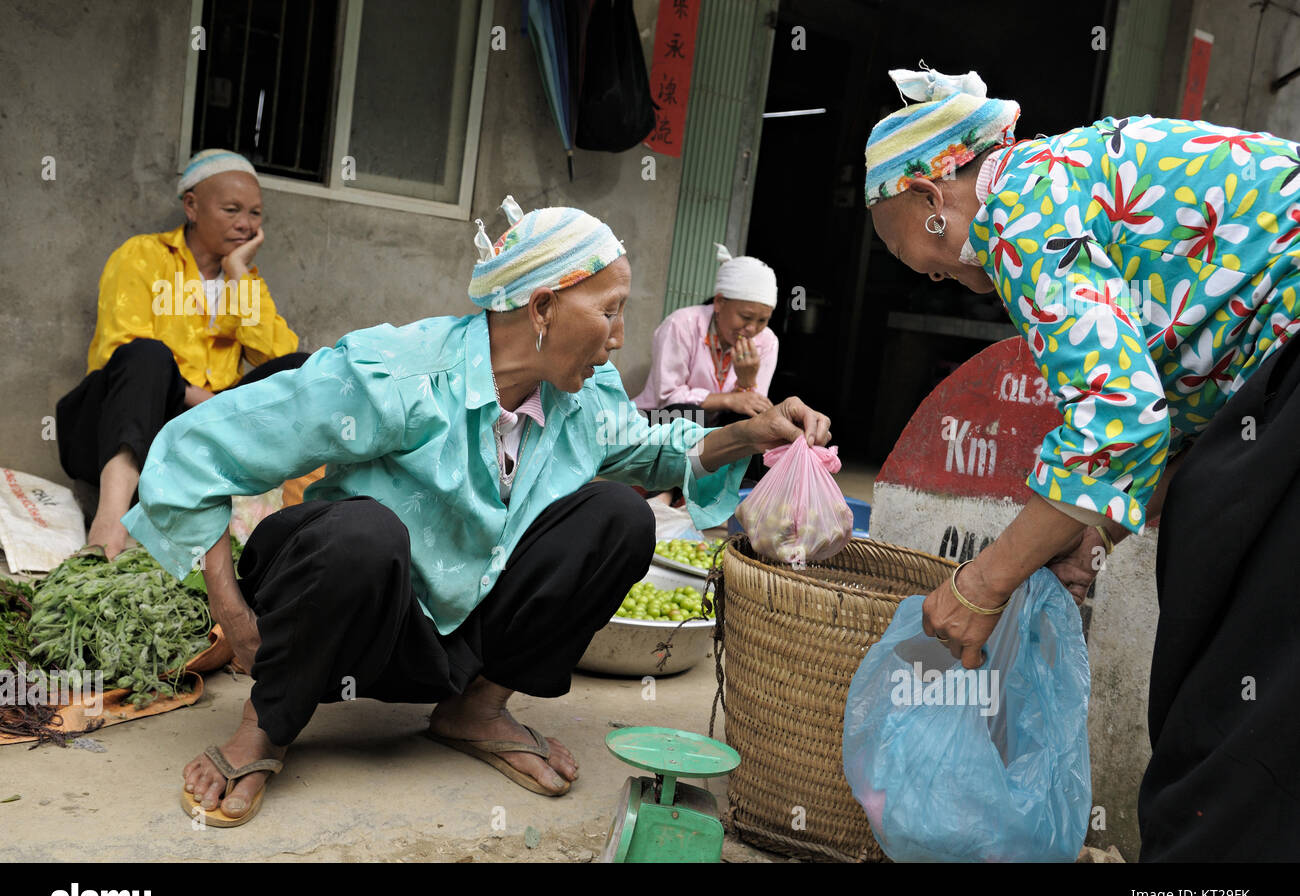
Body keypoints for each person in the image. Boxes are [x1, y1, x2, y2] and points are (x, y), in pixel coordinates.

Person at [122, 201, 832, 826]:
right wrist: (233, 611)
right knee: (365, 532)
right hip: (348, 614)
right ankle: (264, 726)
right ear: (544, 308)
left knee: (620, 515)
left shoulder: (579, 398)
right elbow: (197, 446)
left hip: (450, 635)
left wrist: (751, 429)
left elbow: (650, 451)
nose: (620, 336)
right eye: (609, 310)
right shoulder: (400, 373)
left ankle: (475, 707)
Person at [864, 64, 1300, 861]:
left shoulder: (1019, 206)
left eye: (935, 264)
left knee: (1234, 721)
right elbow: (1170, 424)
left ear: (933, 195)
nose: (962, 281)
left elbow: (1116, 412)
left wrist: (981, 582)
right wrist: (1090, 530)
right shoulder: (1066, 179)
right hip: (1273, 385)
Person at [55, 149, 307, 560]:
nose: (245, 224)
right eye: (231, 210)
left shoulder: (245, 279)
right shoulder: (141, 256)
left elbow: (277, 356)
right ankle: (110, 524)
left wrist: (240, 274)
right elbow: (124, 352)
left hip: (200, 437)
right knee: (147, 356)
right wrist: (211, 403)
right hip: (124, 422)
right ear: (191, 205)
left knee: (299, 367)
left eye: (255, 214)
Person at [634, 243, 779, 500]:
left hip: (715, 433)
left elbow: (754, 406)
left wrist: (746, 384)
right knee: (688, 414)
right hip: (658, 423)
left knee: (755, 427)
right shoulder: (682, 324)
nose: (752, 328)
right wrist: (731, 398)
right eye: (745, 317)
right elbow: (669, 397)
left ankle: (746, 500)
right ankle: (665, 495)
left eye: (762, 320)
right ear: (720, 303)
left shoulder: (767, 341)